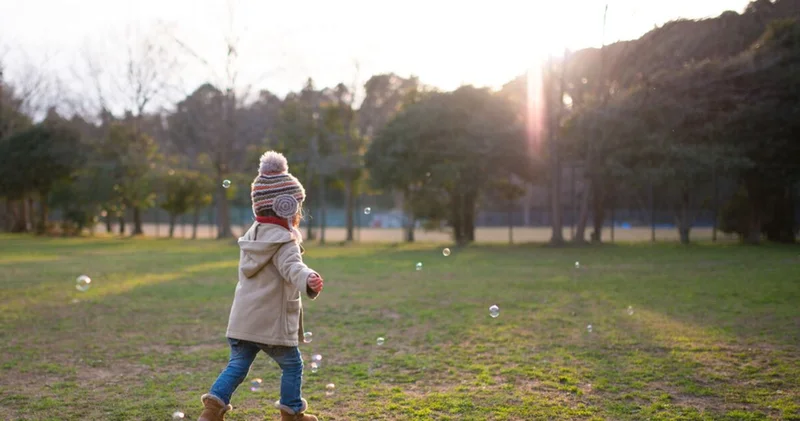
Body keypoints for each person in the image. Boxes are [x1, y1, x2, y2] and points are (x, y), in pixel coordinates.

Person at [198, 151, 324, 421]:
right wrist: (309, 278)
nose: (300, 210)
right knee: (293, 365)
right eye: (297, 204)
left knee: (238, 365)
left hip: (244, 320)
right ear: (286, 206)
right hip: (270, 322)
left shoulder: (252, 235)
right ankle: (292, 414)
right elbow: (293, 267)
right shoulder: (284, 241)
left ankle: (211, 411)